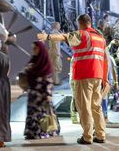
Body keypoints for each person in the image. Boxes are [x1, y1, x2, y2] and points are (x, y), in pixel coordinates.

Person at [37, 14, 108, 144]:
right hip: (97, 75)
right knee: (96, 106)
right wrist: (105, 78)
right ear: (90, 22)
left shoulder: (82, 34)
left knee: (84, 106)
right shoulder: (100, 37)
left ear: (80, 23)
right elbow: (105, 58)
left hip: (84, 75)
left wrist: (47, 37)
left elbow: (64, 37)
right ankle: (101, 134)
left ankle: (87, 137)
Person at [23, 41, 60, 139]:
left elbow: (48, 79)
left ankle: (43, 132)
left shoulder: (44, 62)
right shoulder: (33, 61)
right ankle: (32, 133)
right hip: (33, 95)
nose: (34, 50)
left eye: (35, 48)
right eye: (33, 48)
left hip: (42, 95)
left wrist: (48, 94)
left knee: (44, 115)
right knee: (33, 114)